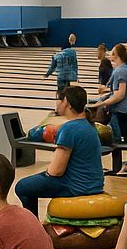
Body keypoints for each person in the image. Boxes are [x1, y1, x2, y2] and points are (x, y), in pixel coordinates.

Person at [15, 86, 104, 215]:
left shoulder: (69, 128)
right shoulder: (89, 125)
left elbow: (56, 171)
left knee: (22, 187)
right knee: (36, 182)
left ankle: (33, 227)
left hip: (77, 187)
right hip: (94, 184)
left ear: (66, 102)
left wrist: (44, 174)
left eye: (58, 99)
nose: (56, 103)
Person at [92, 44, 127, 153]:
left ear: (116, 56)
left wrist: (99, 105)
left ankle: (116, 166)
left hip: (122, 112)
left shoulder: (121, 71)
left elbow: (119, 95)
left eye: (112, 53)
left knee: (115, 143)